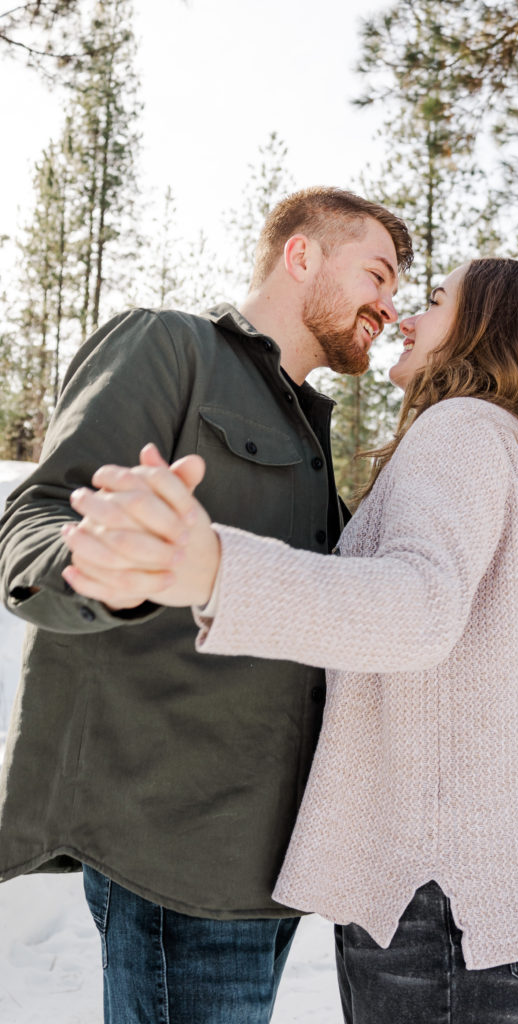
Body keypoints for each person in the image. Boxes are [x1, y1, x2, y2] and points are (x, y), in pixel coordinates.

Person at [60, 257, 518, 1024]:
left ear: (487, 329)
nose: (405, 318)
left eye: (430, 302)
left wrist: (216, 570)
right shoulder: (517, 450)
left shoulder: (459, 430)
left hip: (436, 901)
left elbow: (416, 609)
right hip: (489, 898)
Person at [0, 186, 413, 1024]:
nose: (389, 304)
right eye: (377, 273)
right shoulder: (170, 344)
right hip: (172, 838)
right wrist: (96, 564)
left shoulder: (305, 430)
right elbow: (39, 515)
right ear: (301, 256)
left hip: (268, 853)